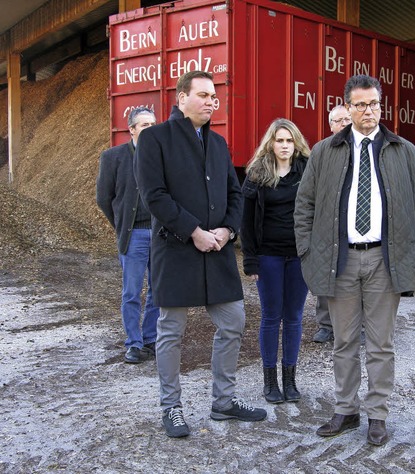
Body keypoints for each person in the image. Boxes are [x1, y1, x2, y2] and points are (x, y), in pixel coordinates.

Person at [295, 74, 415, 446]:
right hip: (340, 260)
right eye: (359, 104)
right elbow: (304, 204)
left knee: (381, 344)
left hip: (384, 260)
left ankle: (378, 414)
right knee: (343, 342)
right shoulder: (325, 151)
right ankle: (345, 409)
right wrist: (307, 250)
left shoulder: (403, 150)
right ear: (347, 108)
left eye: (373, 103)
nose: (368, 110)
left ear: (380, 106)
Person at [134, 70, 266, 438]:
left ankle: (223, 401)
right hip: (176, 249)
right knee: (171, 331)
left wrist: (227, 230)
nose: (212, 101)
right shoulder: (154, 139)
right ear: (180, 98)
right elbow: (154, 195)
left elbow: (235, 194)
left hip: (218, 249)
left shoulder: (219, 143)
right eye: (204, 95)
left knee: (233, 321)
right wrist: (194, 231)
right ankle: (171, 407)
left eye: (214, 96)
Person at [241, 118, 310, 404]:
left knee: (293, 317)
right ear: (271, 143)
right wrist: (250, 260)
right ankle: (270, 382)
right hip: (268, 255)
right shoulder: (257, 173)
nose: (284, 145)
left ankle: (290, 381)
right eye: (279, 140)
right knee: (272, 316)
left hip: (300, 256)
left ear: (296, 144)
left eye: (289, 140)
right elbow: (245, 220)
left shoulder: (307, 171)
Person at [96, 106, 160, 364]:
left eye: (153, 124)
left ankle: (150, 339)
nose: (150, 128)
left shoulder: (161, 157)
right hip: (133, 235)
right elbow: (104, 198)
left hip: (158, 234)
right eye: (144, 124)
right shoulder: (113, 157)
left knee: (158, 291)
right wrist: (122, 225)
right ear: (131, 129)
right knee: (131, 292)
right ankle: (133, 344)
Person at [313, 105, 352, 344]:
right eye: (339, 121)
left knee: (356, 279)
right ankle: (326, 326)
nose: (344, 124)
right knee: (326, 278)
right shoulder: (322, 151)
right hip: (328, 226)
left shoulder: (364, 149)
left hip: (356, 227)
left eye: (348, 119)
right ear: (331, 126)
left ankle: (355, 326)